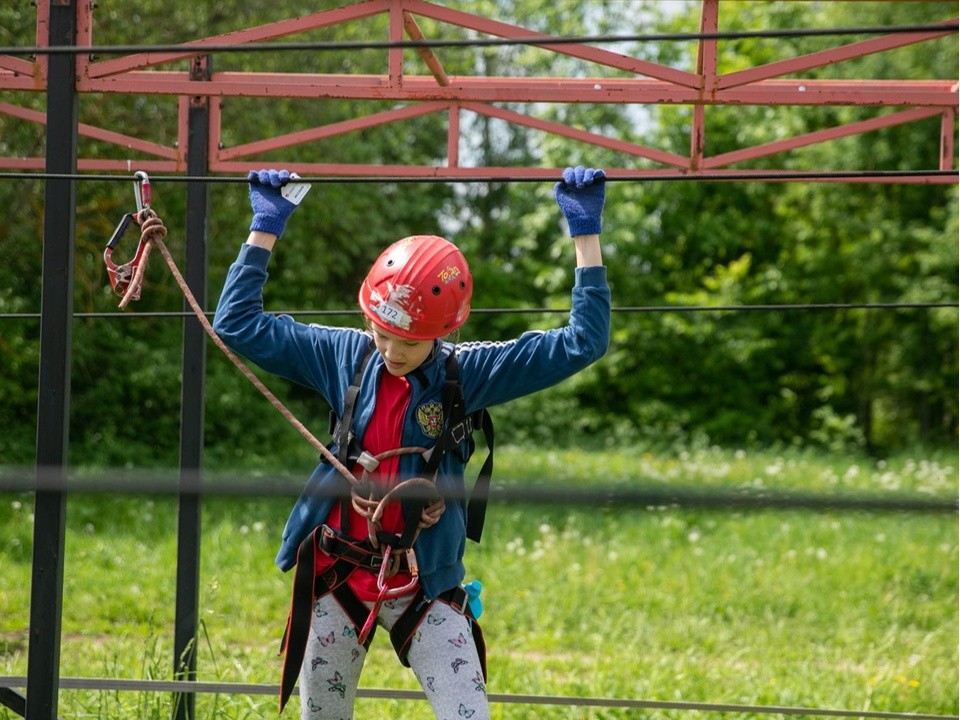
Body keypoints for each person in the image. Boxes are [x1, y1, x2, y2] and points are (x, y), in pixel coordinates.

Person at [213, 164, 610, 719]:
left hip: (426, 585)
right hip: (338, 576)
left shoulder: (467, 373)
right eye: (383, 334)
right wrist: (266, 227)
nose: (393, 350)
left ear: (444, 331)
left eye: (411, 340)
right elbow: (235, 324)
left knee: (468, 715)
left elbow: (582, 343)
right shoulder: (345, 356)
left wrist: (585, 234)